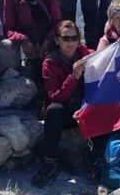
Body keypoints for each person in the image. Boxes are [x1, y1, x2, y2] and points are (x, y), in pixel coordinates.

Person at [32, 20, 93, 186]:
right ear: (57, 40)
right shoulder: (49, 63)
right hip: (64, 112)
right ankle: (49, 161)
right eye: (65, 38)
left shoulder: (86, 54)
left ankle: (97, 157)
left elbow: (104, 57)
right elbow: (56, 96)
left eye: (74, 38)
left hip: (83, 106)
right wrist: (74, 77)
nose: (70, 42)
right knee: (54, 110)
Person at [2, 0, 61, 93]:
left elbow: (57, 22)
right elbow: (8, 28)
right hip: (29, 45)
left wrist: (47, 42)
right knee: (31, 77)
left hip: (49, 41)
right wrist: (24, 40)